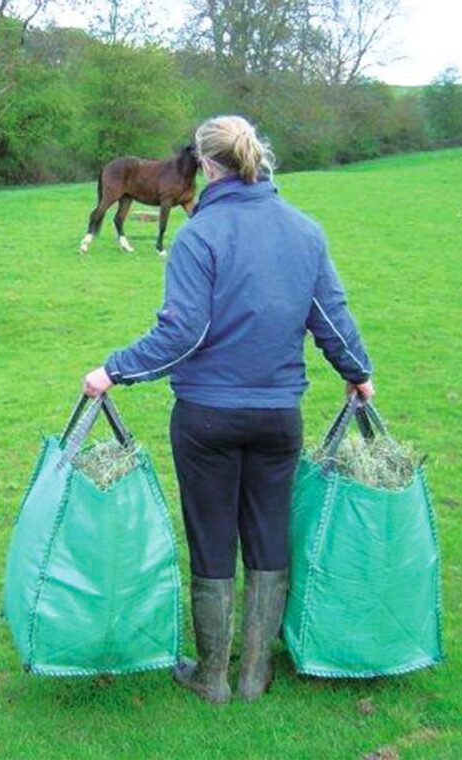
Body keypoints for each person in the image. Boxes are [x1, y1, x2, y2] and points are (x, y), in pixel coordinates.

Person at [82, 115, 374, 705]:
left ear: (207, 168)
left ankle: (213, 676)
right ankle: (253, 675)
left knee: (213, 536)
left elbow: (182, 336)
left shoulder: (197, 235)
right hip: (276, 417)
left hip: (207, 419)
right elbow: (332, 319)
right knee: (268, 532)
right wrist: (358, 374)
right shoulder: (305, 231)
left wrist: (112, 369)